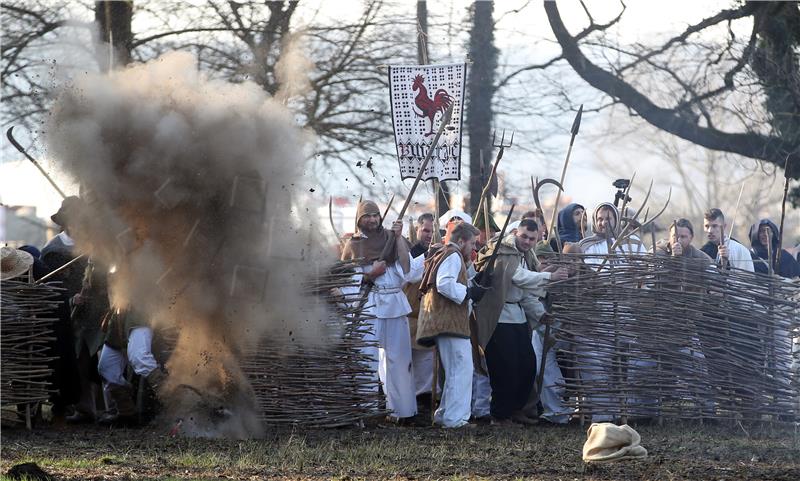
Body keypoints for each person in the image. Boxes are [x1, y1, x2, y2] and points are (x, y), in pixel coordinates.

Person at [473, 219, 568, 425]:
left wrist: (540, 313)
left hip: (517, 317)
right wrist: (549, 276)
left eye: (532, 239)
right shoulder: (503, 252)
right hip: (498, 317)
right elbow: (520, 278)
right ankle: (499, 414)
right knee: (504, 367)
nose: (527, 241)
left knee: (526, 365)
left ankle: (516, 409)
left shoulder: (527, 255)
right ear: (516, 232)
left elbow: (525, 293)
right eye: (524, 236)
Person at [340, 200, 421, 422]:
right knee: (367, 359)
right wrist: (370, 275)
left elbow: (408, 270)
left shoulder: (392, 238)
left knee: (399, 358)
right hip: (369, 305)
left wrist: (397, 238)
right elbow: (347, 281)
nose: (373, 219)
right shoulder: (353, 245)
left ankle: (403, 412)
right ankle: (367, 412)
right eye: (367, 216)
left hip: (394, 301)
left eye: (376, 215)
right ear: (359, 219)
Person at [416, 222, 486, 428]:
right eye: (472, 243)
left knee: (457, 370)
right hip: (450, 322)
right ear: (461, 241)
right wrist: (468, 293)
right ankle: (455, 420)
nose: (474, 248)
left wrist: (473, 282)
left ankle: (445, 415)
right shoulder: (453, 255)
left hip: (447, 322)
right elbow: (445, 284)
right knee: (460, 370)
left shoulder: (447, 254)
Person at [404, 213, 435, 401]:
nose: (430, 235)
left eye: (434, 231)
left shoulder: (441, 253)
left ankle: (425, 400)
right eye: (426, 231)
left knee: (427, 364)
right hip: (409, 315)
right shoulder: (410, 253)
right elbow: (410, 275)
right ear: (418, 230)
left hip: (429, 317)